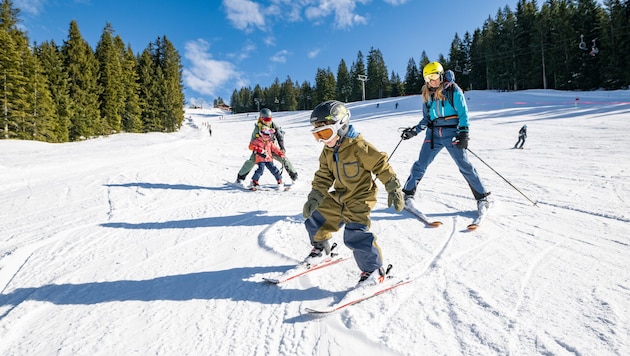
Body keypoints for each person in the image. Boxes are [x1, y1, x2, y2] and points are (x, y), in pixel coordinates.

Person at [302, 100, 405, 287]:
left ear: (340, 126)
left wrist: (393, 186)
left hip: (360, 197)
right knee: (317, 218)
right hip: (340, 195)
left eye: (326, 133)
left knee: (355, 234)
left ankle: (374, 271)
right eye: (318, 135)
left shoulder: (360, 147)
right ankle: (321, 248)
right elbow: (324, 175)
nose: (323, 140)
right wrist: (316, 195)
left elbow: (381, 166)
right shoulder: (328, 151)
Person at [400, 61, 490, 211]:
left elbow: (463, 113)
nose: (431, 80)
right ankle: (408, 193)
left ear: (441, 75)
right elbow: (427, 118)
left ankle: (482, 197)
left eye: (434, 76)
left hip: (451, 132)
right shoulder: (427, 93)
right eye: (428, 78)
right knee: (421, 164)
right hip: (433, 133)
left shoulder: (453, 90)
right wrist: (414, 131)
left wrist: (464, 133)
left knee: (464, 165)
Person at [236, 108, 298, 184]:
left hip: (271, 147)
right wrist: (257, 150)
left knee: (284, 159)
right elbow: (252, 142)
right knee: (251, 161)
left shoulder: (273, 124)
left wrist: (282, 148)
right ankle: (240, 178)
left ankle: (294, 177)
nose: (267, 121)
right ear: (261, 118)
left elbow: (279, 136)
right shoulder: (257, 128)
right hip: (260, 149)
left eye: (269, 119)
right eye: (265, 119)